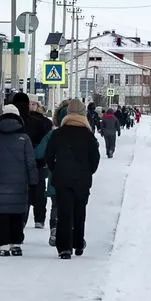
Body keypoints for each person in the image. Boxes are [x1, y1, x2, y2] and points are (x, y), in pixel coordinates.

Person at [0, 103, 38, 256]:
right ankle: (16, 244)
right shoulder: (24, 138)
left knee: (2, 214)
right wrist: (34, 184)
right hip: (19, 184)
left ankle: (3, 245)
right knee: (17, 213)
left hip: (1, 183)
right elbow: (31, 163)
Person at [45, 98, 101, 259]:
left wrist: (56, 170)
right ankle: (77, 243)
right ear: (83, 114)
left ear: (67, 114)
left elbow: (49, 156)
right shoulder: (88, 136)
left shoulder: (58, 134)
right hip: (82, 180)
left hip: (62, 178)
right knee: (79, 211)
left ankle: (64, 248)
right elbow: (95, 159)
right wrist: (88, 171)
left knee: (64, 212)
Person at [12, 92, 53, 229]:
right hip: (31, 162)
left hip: (36, 163)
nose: (31, 106)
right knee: (28, 191)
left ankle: (37, 219)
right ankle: (26, 219)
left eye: (33, 103)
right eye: (29, 103)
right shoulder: (23, 121)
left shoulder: (44, 122)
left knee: (38, 191)